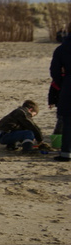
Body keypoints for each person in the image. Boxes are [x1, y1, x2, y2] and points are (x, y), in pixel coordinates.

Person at [50, 22, 71, 162]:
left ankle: (66, 152)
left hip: (69, 85)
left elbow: (55, 72)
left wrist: (62, 83)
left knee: (68, 120)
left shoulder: (62, 49)